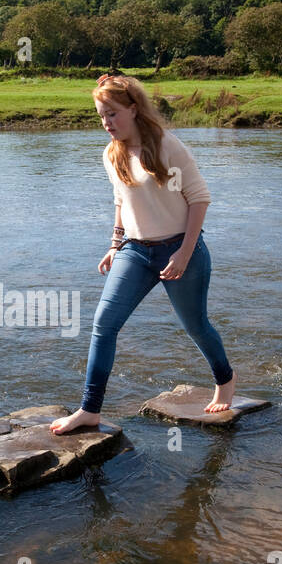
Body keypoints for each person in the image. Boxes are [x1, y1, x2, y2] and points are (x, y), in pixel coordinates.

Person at [51, 74, 235, 434]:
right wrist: (114, 244)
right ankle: (90, 409)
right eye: (101, 116)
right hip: (135, 251)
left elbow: (199, 199)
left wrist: (183, 253)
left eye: (113, 114)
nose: (107, 123)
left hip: (179, 249)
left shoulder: (168, 146)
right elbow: (122, 200)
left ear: (133, 110)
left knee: (195, 325)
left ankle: (225, 381)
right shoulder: (111, 154)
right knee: (104, 324)